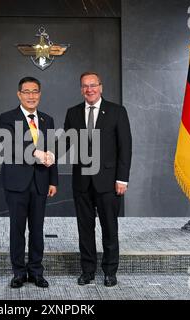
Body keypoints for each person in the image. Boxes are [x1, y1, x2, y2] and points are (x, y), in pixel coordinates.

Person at [63, 71, 132, 287]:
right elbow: (66, 143)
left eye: (93, 85)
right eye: (85, 86)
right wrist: (48, 155)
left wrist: (122, 179)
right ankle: (88, 270)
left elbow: (126, 148)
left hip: (109, 182)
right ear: (81, 89)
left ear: (101, 87)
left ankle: (110, 271)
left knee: (109, 228)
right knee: (85, 228)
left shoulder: (116, 111)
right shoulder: (73, 113)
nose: (89, 89)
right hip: (82, 182)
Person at [0, 77, 58, 288]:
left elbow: (52, 152)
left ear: (40, 94)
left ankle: (35, 271)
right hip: (16, 183)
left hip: (41, 182)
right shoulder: (7, 118)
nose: (31, 96)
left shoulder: (47, 120)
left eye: (35, 92)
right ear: (19, 94)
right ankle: (18, 272)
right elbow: (10, 146)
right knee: (17, 229)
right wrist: (36, 153)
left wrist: (53, 180)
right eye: (26, 92)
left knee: (37, 229)